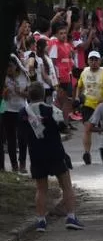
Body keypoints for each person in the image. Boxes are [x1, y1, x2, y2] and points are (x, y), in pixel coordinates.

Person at [19, 82, 84, 231]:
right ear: (44, 95)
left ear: (29, 95)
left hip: (36, 154)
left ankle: (41, 221)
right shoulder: (52, 110)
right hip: (55, 152)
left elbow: (21, 134)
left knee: (41, 189)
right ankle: (71, 217)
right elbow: (64, 128)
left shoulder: (23, 112)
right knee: (66, 185)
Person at [75, 51, 103, 166]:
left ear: (99, 61)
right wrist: (78, 98)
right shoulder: (84, 72)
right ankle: (87, 153)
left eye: (96, 60)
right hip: (87, 104)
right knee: (87, 128)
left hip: (101, 105)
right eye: (91, 60)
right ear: (88, 61)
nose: (93, 62)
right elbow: (79, 86)